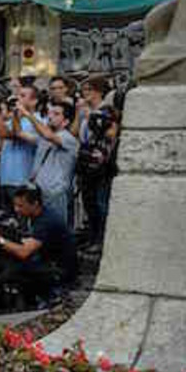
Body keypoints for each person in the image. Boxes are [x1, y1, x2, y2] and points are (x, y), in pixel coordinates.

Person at [0, 185, 77, 305]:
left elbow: (23, 252)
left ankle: (50, 295)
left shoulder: (46, 221)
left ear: (35, 204)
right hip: (48, 262)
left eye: (20, 206)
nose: (16, 209)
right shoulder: (35, 217)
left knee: (16, 268)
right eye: (15, 205)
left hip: (60, 271)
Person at [21, 100, 78, 228]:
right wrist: (15, 114)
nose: (50, 116)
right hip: (37, 192)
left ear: (66, 122)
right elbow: (17, 133)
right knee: (36, 232)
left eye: (56, 114)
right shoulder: (43, 138)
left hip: (54, 194)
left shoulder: (68, 138)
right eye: (49, 113)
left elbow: (48, 135)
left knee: (55, 232)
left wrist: (28, 114)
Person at [77, 75, 119, 247]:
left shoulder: (106, 110)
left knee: (100, 203)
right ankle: (92, 237)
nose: (84, 93)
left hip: (101, 165)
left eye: (89, 90)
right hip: (85, 162)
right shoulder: (84, 111)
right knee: (89, 203)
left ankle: (102, 240)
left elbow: (111, 134)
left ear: (99, 92)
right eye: (84, 90)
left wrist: (93, 117)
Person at [0, 85, 39, 209]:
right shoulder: (13, 120)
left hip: (22, 181)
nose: (17, 99)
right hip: (6, 179)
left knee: (23, 224)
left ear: (34, 101)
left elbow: (6, 134)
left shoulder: (37, 121)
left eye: (23, 96)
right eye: (18, 95)